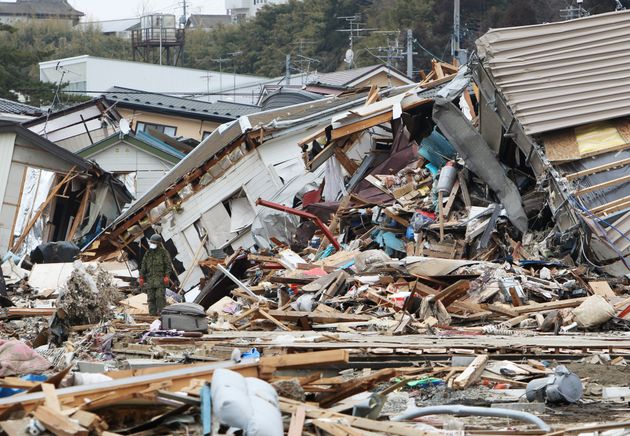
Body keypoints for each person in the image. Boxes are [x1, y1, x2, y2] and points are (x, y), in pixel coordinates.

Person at [139, 234, 173, 316]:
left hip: (160, 280)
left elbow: (168, 266)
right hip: (150, 280)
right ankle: (152, 315)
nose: (152, 244)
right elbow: (143, 266)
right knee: (151, 298)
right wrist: (141, 277)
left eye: (154, 243)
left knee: (160, 297)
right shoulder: (148, 253)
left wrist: (167, 276)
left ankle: (162, 314)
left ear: (158, 243)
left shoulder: (163, 253)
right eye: (151, 242)